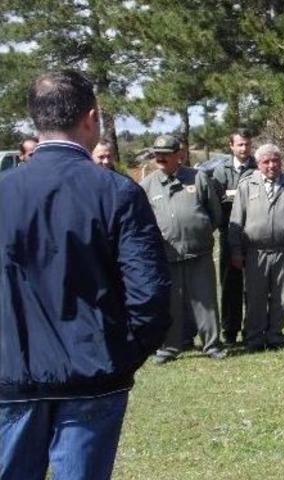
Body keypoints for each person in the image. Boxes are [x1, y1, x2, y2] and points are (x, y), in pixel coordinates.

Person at [0, 70, 171, 479]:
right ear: (91, 118)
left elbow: (148, 295)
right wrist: (120, 357)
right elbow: (150, 295)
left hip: (21, 376)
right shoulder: (117, 192)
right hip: (86, 374)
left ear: (36, 120)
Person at [140, 134, 227, 364]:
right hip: (167, 256)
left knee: (206, 301)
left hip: (199, 252)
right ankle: (169, 348)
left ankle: (212, 345)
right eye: (157, 154)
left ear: (180, 155)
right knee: (171, 303)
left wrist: (199, 231)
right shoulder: (147, 185)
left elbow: (214, 214)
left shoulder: (198, 178)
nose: (161, 158)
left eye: (166, 154)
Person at [229, 144, 284, 352]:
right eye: (266, 162)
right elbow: (236, 220)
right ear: (258, 164)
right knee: (255, 296)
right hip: (255, 252)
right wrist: (236, 250)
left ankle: (275, 335)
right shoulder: (247, 185)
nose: (272, 165)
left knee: (281, 297)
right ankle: (255, 338)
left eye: (276, 161)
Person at [211, 129, 257, 345]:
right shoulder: (221, 172)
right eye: (239, 144)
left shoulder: (259, 168)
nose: (244, 148)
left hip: (254, 236)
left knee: (254, 285)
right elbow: (216, 205)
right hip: (230, 236)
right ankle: (230, 330)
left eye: (247, 144)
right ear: (231, 146)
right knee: (230, 285)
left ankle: (253, 328)